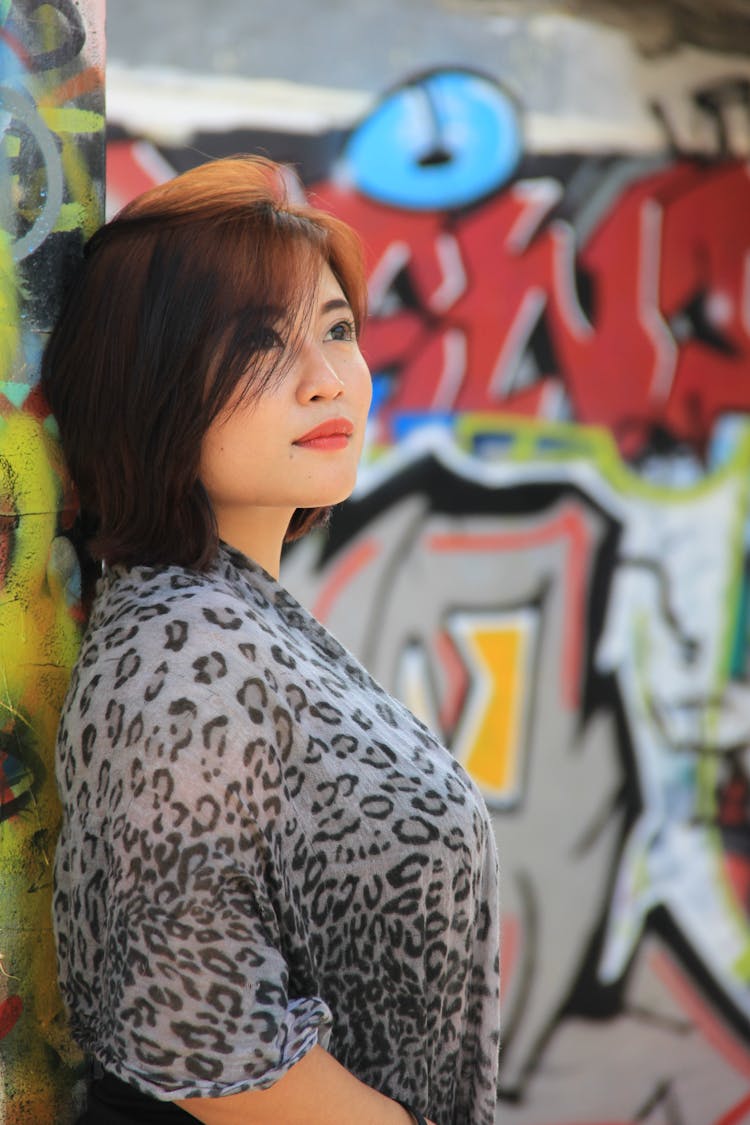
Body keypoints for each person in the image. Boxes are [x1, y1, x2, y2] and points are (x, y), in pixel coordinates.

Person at [42, 156, 500, 1125]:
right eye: (260, 344)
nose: (329, 381)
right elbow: (200, 1034)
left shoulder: (239, 617)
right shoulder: (182, 650)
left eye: (338, 330)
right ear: (154, 385)